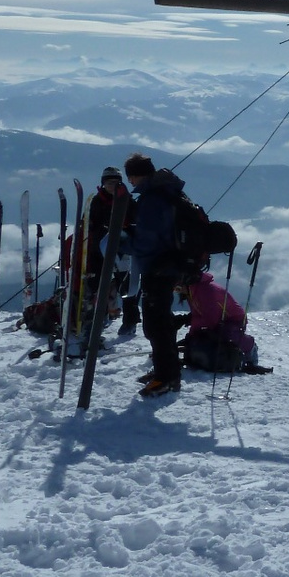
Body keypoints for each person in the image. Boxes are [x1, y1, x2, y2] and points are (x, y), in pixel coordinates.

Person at [124, 152, 189, 398]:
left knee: (156, 324)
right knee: (160, 321)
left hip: (158, 267)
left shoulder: (152, 199)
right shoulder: (169, 192)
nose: (130, 183)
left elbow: (147, 241)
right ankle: (165, 371)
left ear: (137, 175)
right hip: (171, 264)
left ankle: (166, 378)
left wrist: (123, 243)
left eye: (131, 177)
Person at [86, 166, 138, 335]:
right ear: (103, 184)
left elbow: (136, 220)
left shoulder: (127, 200)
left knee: (126, 285)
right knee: (96, 285)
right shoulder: (97, 201)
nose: (112, 186)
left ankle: (130, 321)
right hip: (98, 249)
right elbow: (90, 224)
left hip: (121, 248)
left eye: (116, 182)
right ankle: (97, 318)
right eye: (109, 182)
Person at [176, 270, 258, 370]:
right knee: (208, 336)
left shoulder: (206, 291)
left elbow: (211, 319)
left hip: (234, 319)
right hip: (219, 320)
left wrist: (195, 328)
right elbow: (197, 315)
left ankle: (250, 346)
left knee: (226, 333)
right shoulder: (192, 292)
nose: (178, 292)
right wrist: (191, 336)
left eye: (178, 288)